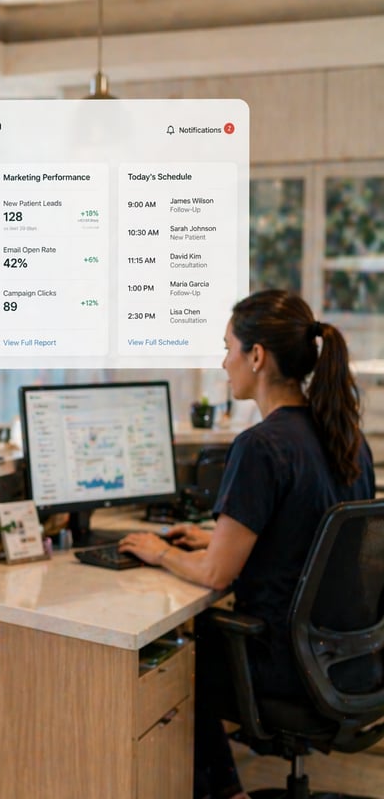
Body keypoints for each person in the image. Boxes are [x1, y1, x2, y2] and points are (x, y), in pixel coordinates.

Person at [119, 290, 374, 799]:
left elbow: (217, 576)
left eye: (229, 347)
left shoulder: (260, 447)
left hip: (288, 666)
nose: (223, 361)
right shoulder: (346, 437)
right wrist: (216, 537)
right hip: (349, 661)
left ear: (256, 356)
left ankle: (226, 794)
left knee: (173, 660)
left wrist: (160, 550)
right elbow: (308, 538)